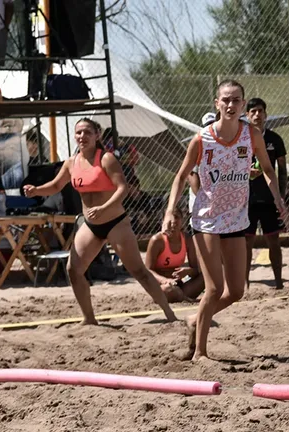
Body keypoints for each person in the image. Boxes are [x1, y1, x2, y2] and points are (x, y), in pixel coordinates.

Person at [162, 79, 287, 362]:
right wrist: (171, 210)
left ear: (243, 105)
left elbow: (268, 169)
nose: (231, 105)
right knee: (214, 287)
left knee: (236, 291)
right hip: (206, 219)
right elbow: (181, 176)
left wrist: (278, 199)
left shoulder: (251, 135)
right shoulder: (202, 139)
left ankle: (195, 319)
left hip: (235, 219)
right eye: (226, 100)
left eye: (236, 100)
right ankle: (201, 354)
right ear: (217, 104)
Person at [23, 118, 177, 325]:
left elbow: (122, 188)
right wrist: (35, 191)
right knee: (73, 269)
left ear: (97, 135)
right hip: (91, 224)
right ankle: (89, 319)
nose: (82, 137)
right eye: (78, 133)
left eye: (87, 132)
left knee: (138, 270)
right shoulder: (71, 163)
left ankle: (169, 314)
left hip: (115, 222)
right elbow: (55, 185)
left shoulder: (106, 159)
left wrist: (104, 208)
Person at [244, 97, 289, 290]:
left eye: (260, 111)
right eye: (253, 111)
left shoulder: (274, 139)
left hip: (269, 198)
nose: (257, 115)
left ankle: (279, 282)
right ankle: (244, 284)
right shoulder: (242, 139)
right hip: (246, 199)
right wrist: (247, 172)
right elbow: (235, 166)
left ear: (265, 114)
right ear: (247, 115)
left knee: (273, 240)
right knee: (246, 242)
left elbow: (283, 170)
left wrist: (281, 195)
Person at [144, 207, 204, 303]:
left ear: (182, 220)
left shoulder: (188, 239)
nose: (173, 221)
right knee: (167, 290)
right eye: (169, 218)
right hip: (161, 286)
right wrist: (165, 280)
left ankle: (180, 296)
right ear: (163, 220)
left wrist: (188, 272)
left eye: (176, 217)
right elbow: (147, 271)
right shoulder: (157, 240)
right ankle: (182, 297)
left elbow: (196, 270)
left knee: (206, 276)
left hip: (179, 285)